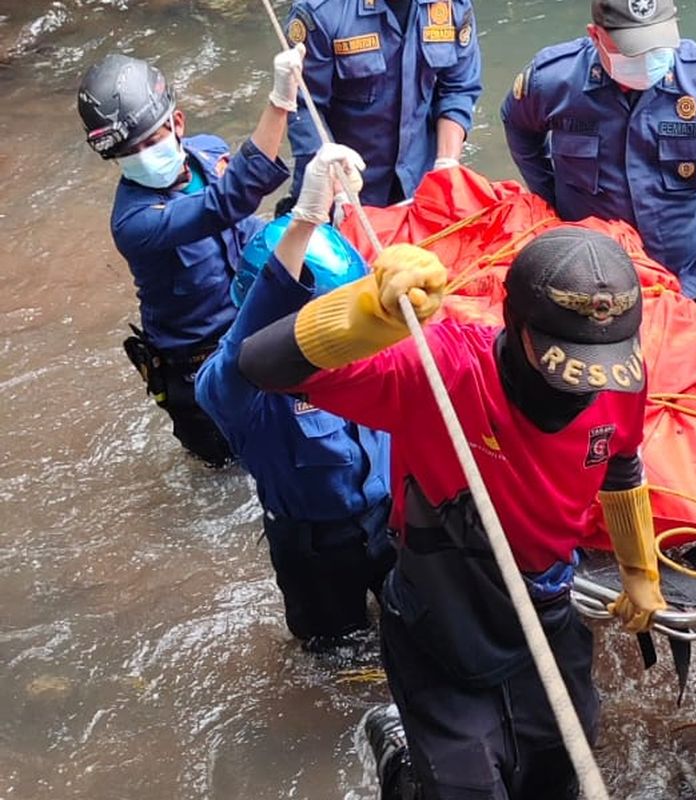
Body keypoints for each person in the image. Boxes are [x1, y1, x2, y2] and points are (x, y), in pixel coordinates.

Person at [234, 143, 666, 799]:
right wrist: (368, 315)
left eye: (597, 364)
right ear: (516, 326)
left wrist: (639, 570)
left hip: (545, 611)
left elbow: (622, 463)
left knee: (559, 776)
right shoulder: (442, 366)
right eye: (563, 362)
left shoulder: (617, 374)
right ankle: (398, 756)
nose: (582, 387)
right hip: (443, 613)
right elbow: (261, 365)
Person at [500, 0, 696, 370]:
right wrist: (549, 200)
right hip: (597, 271)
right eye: (633, 50)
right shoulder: (553, 80)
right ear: (596, 37)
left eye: (657, 45)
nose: (648, 59)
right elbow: (517, 125)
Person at [77, 47, 301, 466]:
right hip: (197, 366)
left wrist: (301, 222)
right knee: (227, 467)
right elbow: (225, 203)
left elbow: (242, 226)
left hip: (250, 330)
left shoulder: (209, 153)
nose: (144, 155)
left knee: (286, 448)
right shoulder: (135, 222)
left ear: (177, 122)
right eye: (130, 151)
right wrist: (278, 104)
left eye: (153, 139)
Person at [194, 217, 394, 652]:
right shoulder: (238, 389)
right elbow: (244, 348)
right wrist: (302, 226)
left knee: (411, 623)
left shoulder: (363, 356)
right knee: (337, 649)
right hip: (315, 546)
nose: (339, 333)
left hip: (389, 520)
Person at [283, 0, 483, 207]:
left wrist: (446, 164)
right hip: (342, 189)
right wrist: (334, 183)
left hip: (420, 187)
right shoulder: (320, 11)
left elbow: (458, 88)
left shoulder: (452, 6)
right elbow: (303, 106)